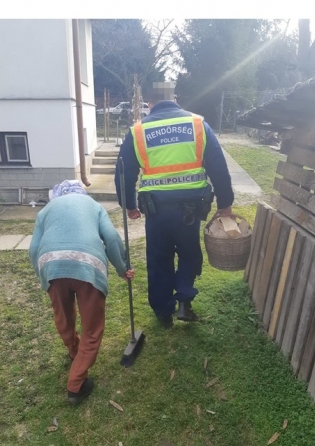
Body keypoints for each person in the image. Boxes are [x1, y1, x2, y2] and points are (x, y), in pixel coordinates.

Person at [115, 84, 234, 329]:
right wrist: (225, 203)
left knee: (159, 257)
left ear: (149, 103)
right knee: (189, 252)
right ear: (175, 98)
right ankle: (184, 302)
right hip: (191, 209)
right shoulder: (198, 124)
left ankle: (163, 312)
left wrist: (128, 204)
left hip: (156, 210)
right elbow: (218, 167)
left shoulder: (138, 131)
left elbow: (124, 172)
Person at [29, 180, 135, 404]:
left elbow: (34, 249)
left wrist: (44, 277)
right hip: (89, 265)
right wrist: (123, 268)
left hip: (52, 266)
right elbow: (112, 238)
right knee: (92, 328)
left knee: (64, 317)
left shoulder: (46, 210)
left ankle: (74, 352)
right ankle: (76, 385)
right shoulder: (94, 206)